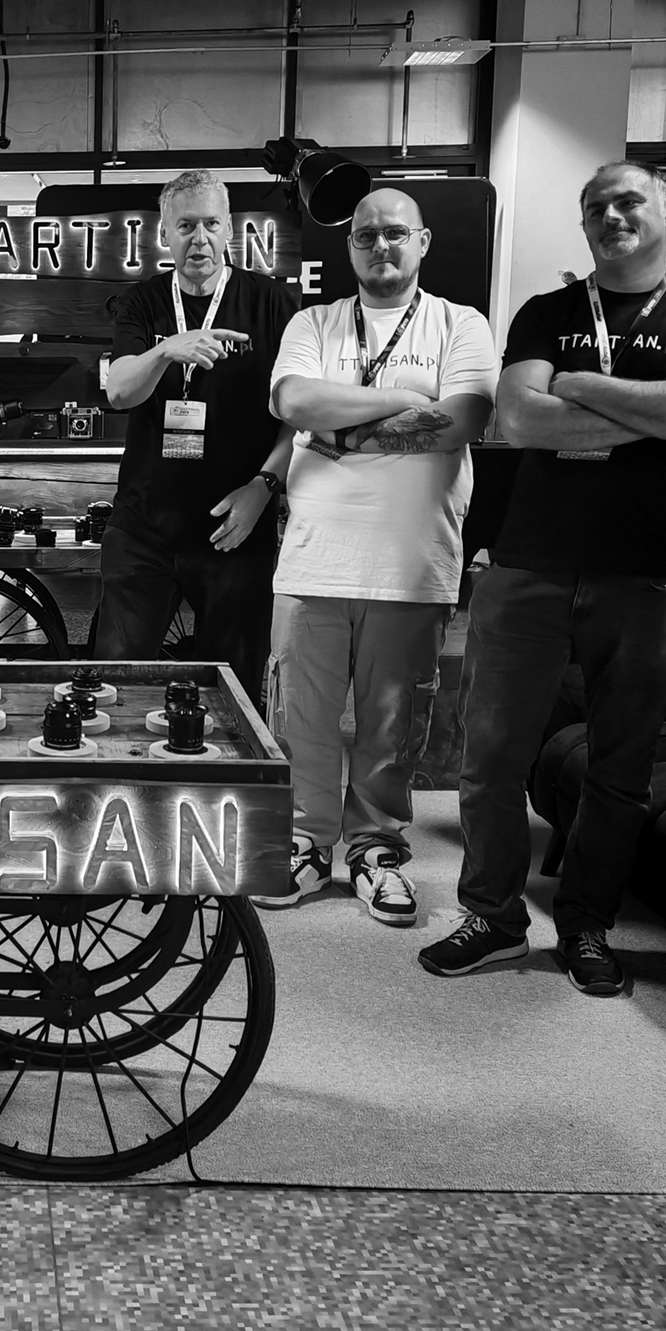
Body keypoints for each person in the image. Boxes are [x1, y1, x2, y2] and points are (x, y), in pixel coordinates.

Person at [420, 161, 666, 996]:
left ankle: (586, 927)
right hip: (529, 564)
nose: (612, 215)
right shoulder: (548, 313)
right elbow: (519, 417)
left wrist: (579, 387)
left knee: (619, 766)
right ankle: (494, 918)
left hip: (647, 574)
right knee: (490, 757)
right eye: (596, 205)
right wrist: (661, 404)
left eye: (629, 200)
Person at [256, 189, 497, 923]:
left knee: (394, 726)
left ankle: (375, 851)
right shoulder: (314, 322)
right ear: (349, 247)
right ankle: (305, 843)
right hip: (313, 560)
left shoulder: (461, 324)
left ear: (422, 241)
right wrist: (401, 399)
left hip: (413, 562)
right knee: (301, 717)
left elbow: (464, 417)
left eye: (395, 233)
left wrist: (346, 429)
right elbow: (295, 403)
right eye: (365, 235)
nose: (380, 245)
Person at [96, 169, 298, 705]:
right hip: (145, 528)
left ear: (229, 228)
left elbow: (296, 417)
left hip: (235, 529)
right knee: (115, 686)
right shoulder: (141, 302)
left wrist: (264, 487)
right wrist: (167, 350)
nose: (199, 239)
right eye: (185, 226)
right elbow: (119, 392)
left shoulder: (274, 303)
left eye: (210, 224)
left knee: (234, 694)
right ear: (165, 234)